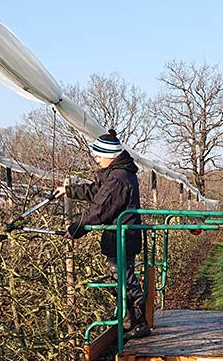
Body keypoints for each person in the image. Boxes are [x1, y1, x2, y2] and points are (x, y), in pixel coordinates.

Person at [53, 129, 150, 339]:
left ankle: (138, 324)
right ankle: (130, 322)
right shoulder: (117, 175)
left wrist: (76, 228)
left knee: (123, 279)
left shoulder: (118, 178)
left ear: (111, 155)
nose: (96, 159)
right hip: (121, 237)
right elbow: (96, 191)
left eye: (98, 155)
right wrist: (68, 190)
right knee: (121, 278)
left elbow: (100, 208)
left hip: (121, 238)